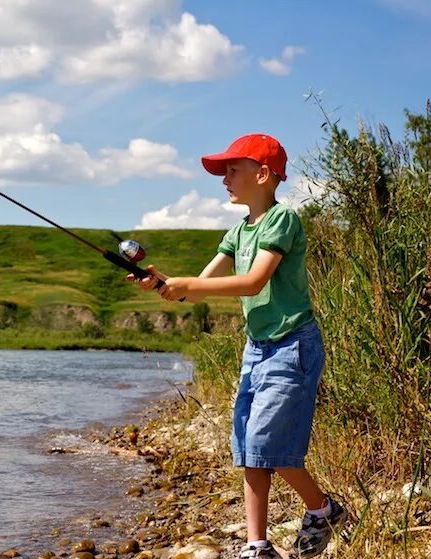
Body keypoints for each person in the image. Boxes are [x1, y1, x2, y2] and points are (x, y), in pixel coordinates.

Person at [129, 134, 347, 559]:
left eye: (232, 170)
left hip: (291, 346)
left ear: (263, 175)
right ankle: (256, 544)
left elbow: (253, 281)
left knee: (269, 445)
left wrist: (189, 285)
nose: (224, 178)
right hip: (257, 348)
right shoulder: (236, 232)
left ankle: (323, 509)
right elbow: (198, 288)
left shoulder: (281, 221)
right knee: (249, 446)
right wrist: (163, 284)